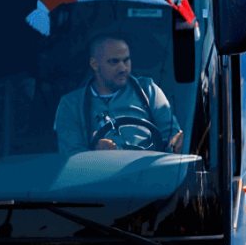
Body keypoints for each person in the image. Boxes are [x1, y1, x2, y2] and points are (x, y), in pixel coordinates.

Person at [53, 36, 183, 155]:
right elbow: (71, 155)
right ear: (94, 64)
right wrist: (94, 154)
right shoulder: (70, 104)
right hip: (98, 171)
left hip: (149, 168)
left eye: (126, 60)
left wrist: (176, 142)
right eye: (114, 62)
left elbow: (171, 137)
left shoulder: (148, 90)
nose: (123, 68)